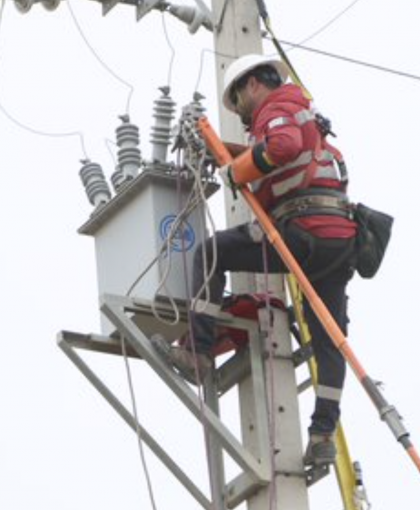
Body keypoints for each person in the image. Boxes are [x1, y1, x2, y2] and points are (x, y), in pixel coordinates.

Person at [153, 54, 356, 467]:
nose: (244, 114)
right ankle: (322, 435)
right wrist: (226, 156)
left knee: (212, 251)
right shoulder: (305, 114)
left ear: (251, 86)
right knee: (329, 338)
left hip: (305, 232)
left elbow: (280, 147)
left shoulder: (276, 105)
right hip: (339, 240)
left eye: (238, 101)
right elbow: (268, 156)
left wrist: (236, 172)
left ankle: (199, 352)